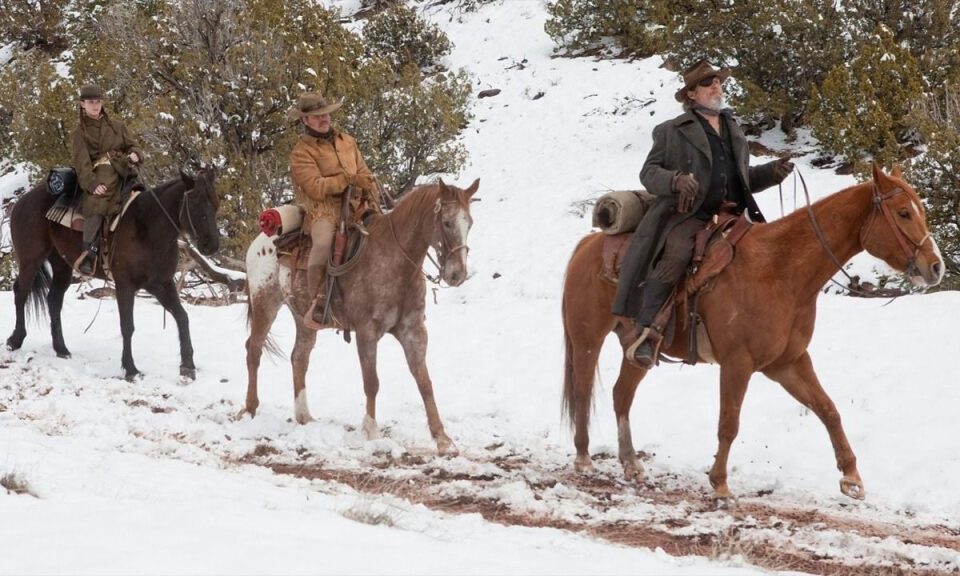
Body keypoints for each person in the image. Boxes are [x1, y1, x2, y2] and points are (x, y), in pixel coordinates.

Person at [612, 60, 794, 367]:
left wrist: (771, 172)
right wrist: (674, 181)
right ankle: (646, 331)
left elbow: (740, 176)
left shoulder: (732, 128)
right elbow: (648, 173)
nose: (715, 86)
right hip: (689, 215)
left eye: (717, 81)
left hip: (733, 215)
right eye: (707, 83)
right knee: (676, 256)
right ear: (692, 95)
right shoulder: (671, 131)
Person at [288, 92, 381, 330]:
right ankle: (318, 302)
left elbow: (364, 172)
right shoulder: (301, 153)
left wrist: (368, 186)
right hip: (324, 208)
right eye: (317, 116)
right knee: (323, 241)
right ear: (305, 121)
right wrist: (346, 179)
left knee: (386, 230)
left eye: (325, 114)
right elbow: (316, 187)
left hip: (357, 204)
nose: (324, 119)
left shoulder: (347, 141)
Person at [71, 84, 144, 276]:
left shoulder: (117, 126)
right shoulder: (79, 133)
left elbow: (133, 145)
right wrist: (92, 184)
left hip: (124, 170)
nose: (95, 106)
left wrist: (136, 153)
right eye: (90, 102)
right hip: (99, 174)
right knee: (97, 204)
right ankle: (89, 253)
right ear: (82, 104)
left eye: (97, 102)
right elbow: (82, 163)